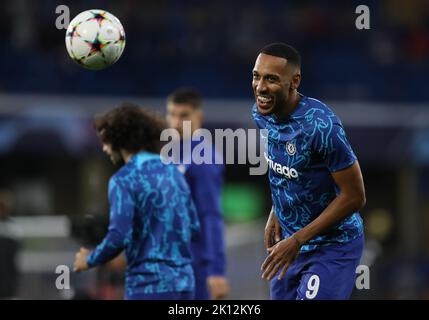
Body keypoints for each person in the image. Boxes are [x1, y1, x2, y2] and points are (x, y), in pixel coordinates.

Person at [252, 43, 366, 300]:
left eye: (271, 79)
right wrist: (277, 211)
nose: (260, 87)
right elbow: (288, 170)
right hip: (288, 245)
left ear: (294, 81)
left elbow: (355, 197)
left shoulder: (322, 127)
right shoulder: (262, 114)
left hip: (332, 246)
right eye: (256, 76)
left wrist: (297, 240)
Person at [73, 104, 200, 300]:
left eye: (104, 139)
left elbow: (119, 235)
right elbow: (193, 226)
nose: (104, 147)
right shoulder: (174, 172)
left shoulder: (124, 179)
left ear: (118, 137)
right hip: (185, 285)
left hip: (148, 287)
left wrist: (89, 259)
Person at [166, 88, 229, 300]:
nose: (176, 122)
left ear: (198, 117)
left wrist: (216, 270)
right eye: (172, 114)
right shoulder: (173, 154)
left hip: (195, 264)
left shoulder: (203, 157)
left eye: (183, 115)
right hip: (171, 262)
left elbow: (211, 215)